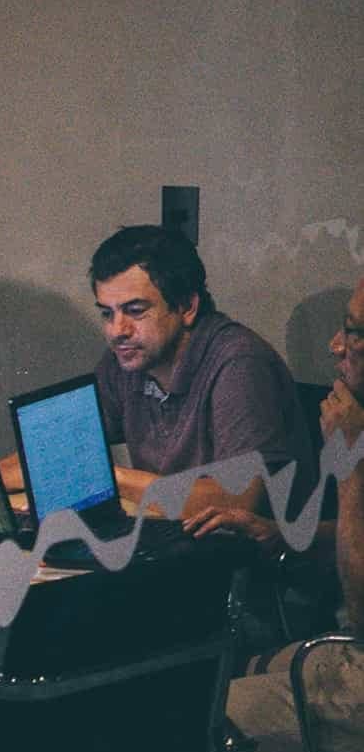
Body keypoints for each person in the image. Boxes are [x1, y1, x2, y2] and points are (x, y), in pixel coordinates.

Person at [84, 224, 317, 545]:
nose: (117, 331)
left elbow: (239, 502)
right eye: (107, 314)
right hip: (177, 549)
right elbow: (68, 451)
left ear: (187, 307)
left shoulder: (238, 363)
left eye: (135, 311)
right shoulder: (127, 358)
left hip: (248, 571)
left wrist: (112, 480)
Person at [227, 276, 364, 752]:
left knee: (199, 713)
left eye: (354, 332)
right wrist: (285, 536)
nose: (335, 346)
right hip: (345, 652)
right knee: (224, 669)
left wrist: (350, 465)